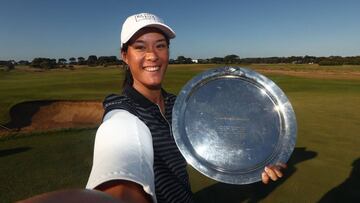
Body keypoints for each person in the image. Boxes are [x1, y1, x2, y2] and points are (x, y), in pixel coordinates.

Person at [86, 12, 286, 203]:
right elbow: (119, 166)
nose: (152, 55)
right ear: (124, 55)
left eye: (160, 46)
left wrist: (262, 157)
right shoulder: (122, 113)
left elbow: (221, 137)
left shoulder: (178, 104)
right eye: (140, 47)